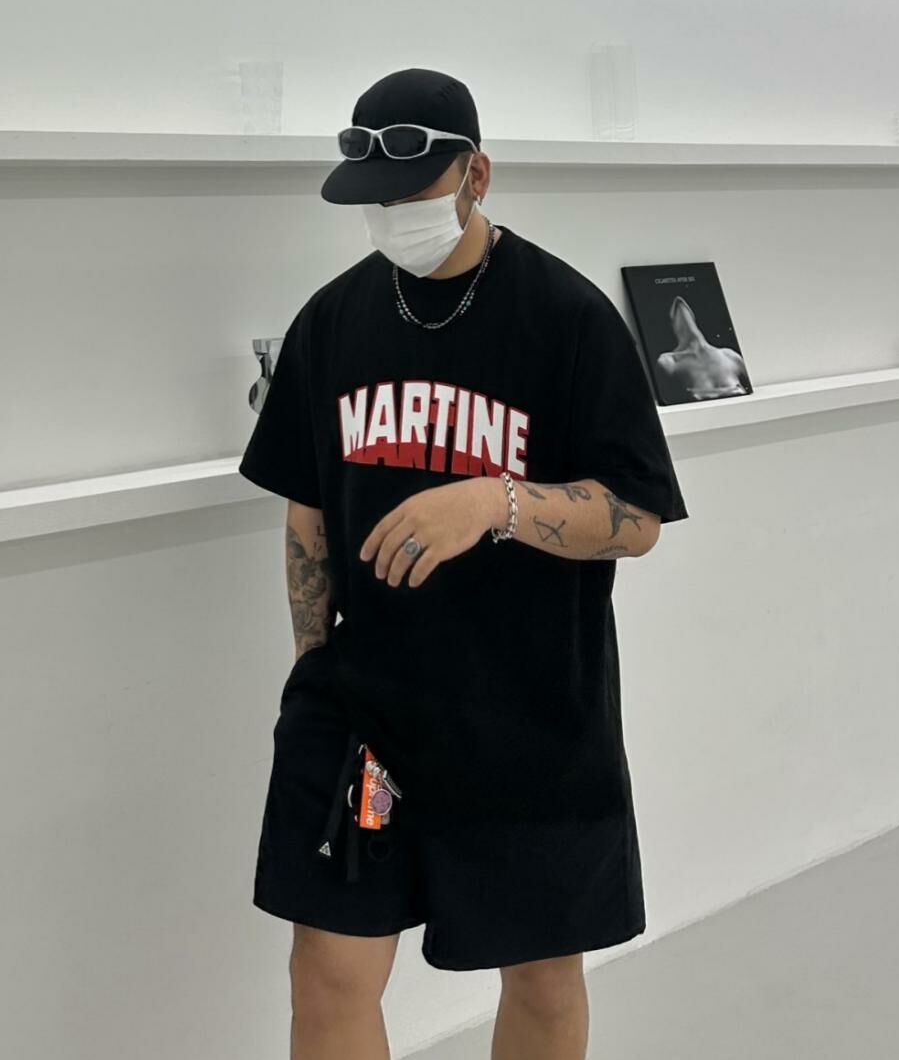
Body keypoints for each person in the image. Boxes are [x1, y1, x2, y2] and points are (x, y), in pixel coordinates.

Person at [239, 66, 689, 1060]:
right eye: (373, 200)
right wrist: (313, 663)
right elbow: (306, 511)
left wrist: (498, 501)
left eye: (411, 192)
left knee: (540, 973)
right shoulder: (332, 321)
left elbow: (637, 519)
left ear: (475, 175)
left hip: (531, 709)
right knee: (326, 970)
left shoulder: (566, 318)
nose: (390, 216)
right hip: (364, 708)